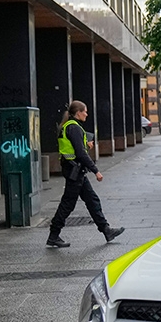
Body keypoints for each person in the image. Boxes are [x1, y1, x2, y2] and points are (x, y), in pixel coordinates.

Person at [46, 101, 124, 248]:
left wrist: (86, 145)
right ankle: (53, 235)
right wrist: (96, 170)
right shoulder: (74, 128)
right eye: (85, 111)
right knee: (68, 204)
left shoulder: (70, 126)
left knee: (92, 200)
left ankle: (106, 230)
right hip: (74, 170)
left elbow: (76, 149)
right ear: (78, 113)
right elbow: (80, 154)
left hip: (75, 170)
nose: (87, 114)